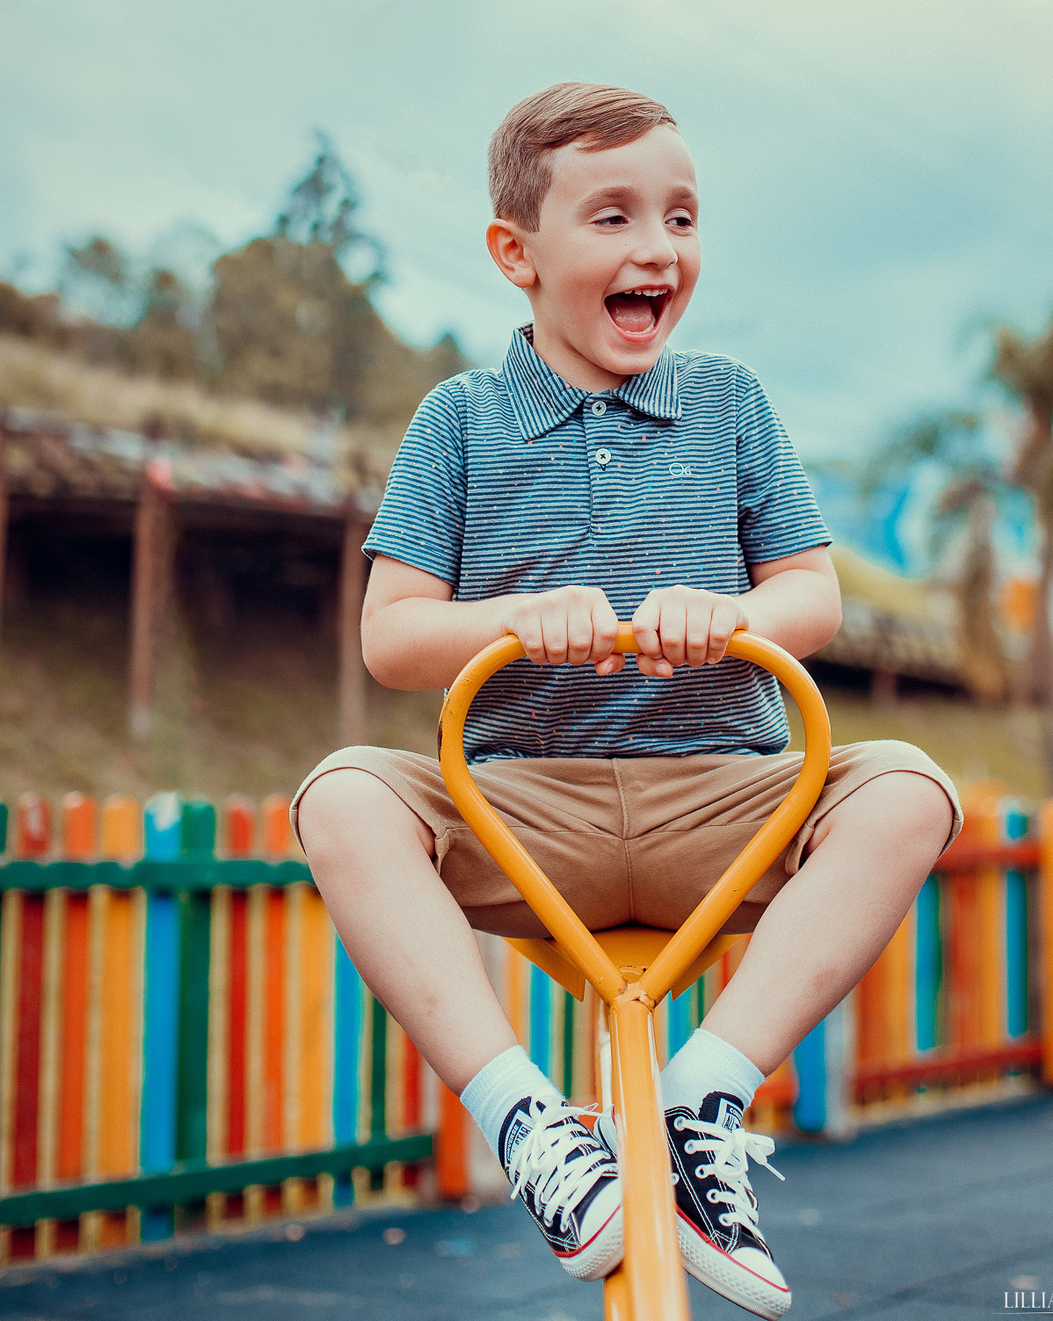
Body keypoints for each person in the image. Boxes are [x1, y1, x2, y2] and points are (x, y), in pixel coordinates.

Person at [293, 83, 960, 1318]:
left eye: (682, 218)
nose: (659, 248)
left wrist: (734, 617)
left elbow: (811, 596)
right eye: (613, 217)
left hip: (724, 804)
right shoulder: (462, 420)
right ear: (518, 254)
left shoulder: (729, 403)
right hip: (525, 813)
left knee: (910, 787)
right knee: (342, 796)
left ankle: (700, 1100)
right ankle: (531, 1126)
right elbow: (392, 637)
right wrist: (514, 618)